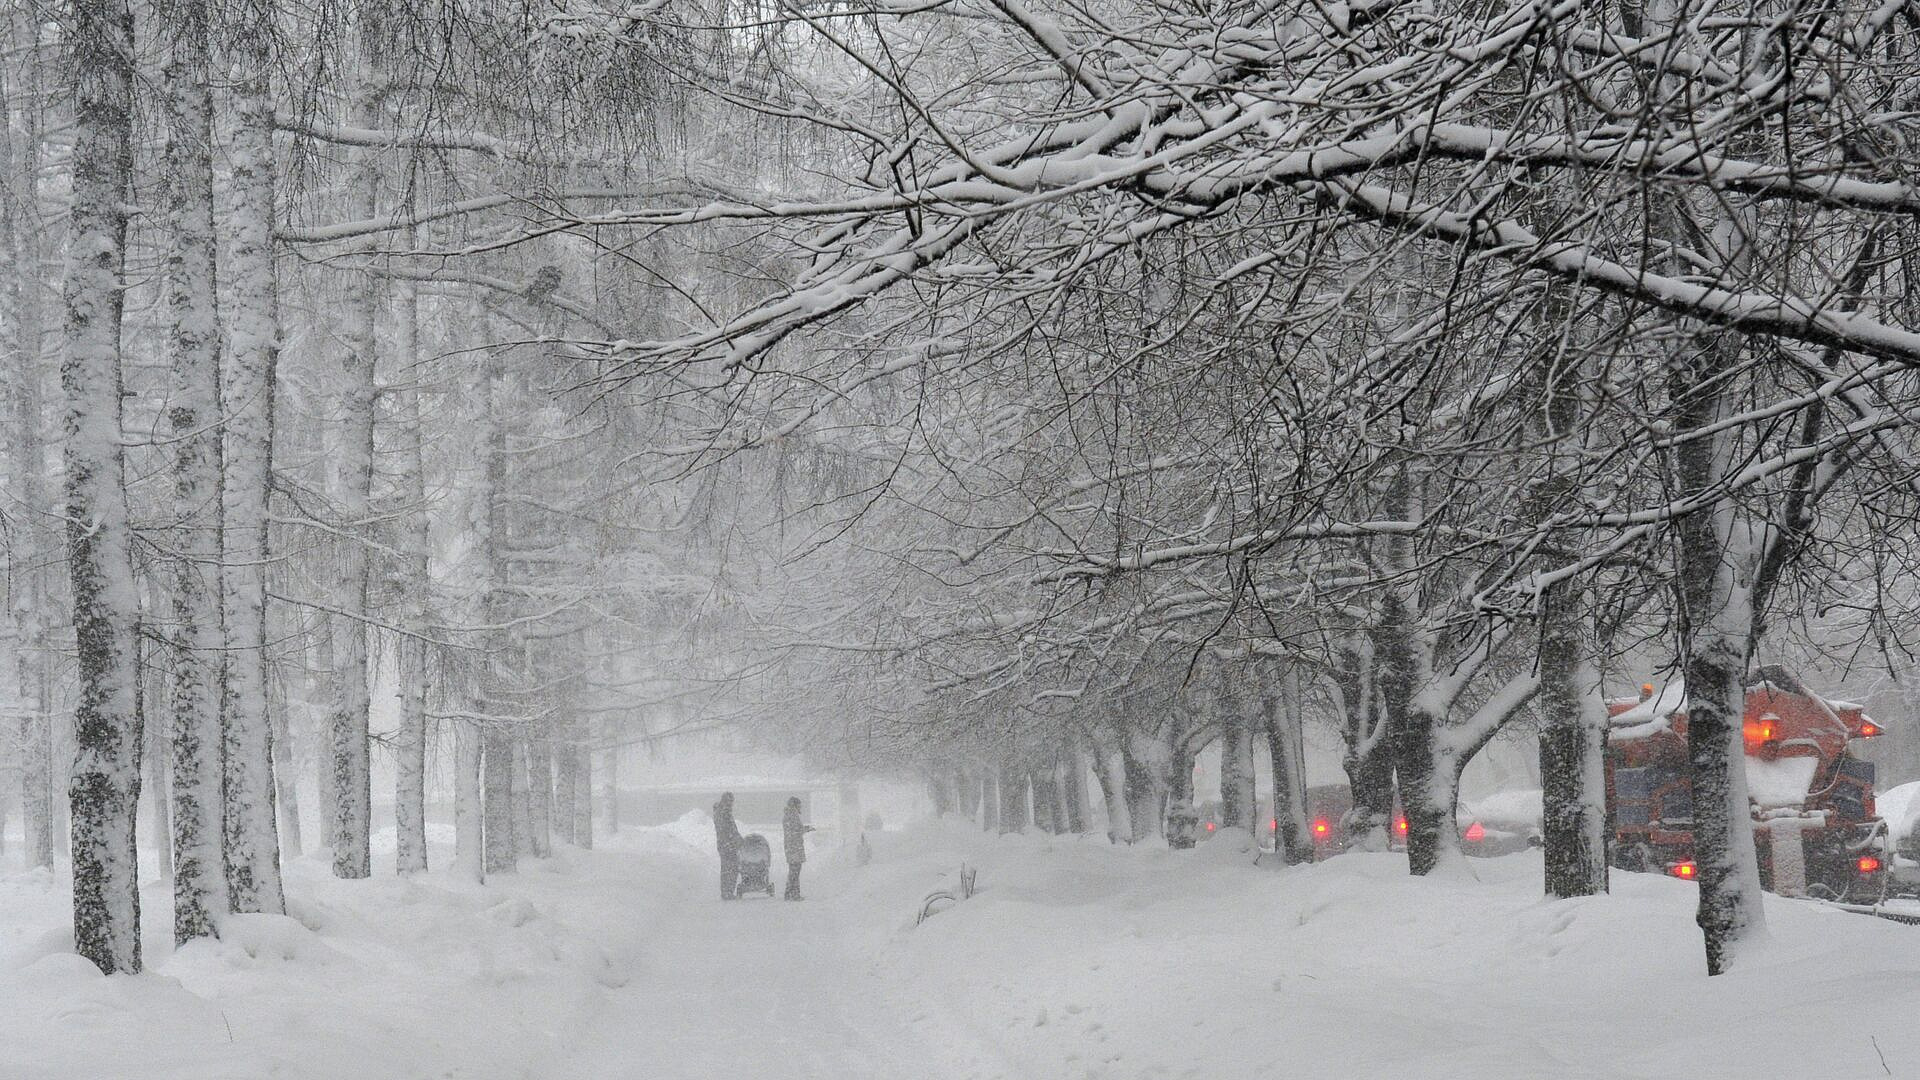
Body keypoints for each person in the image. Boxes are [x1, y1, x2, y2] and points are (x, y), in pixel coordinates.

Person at [782, 796, 813, 900]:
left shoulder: (788, 815)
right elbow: (796, 831)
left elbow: (794, 830)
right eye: (799, 805)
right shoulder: (793, 816)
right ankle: (793, 894)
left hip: (791, 846)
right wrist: (806, 829)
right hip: (794, 847)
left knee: (793, 870)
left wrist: (804, 829)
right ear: (795, 805)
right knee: (795, 871)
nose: (801, 807)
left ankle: (789, 893)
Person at [714, 792, 742, 900]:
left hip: (724, 845)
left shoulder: (720, 812)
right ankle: (728, 892)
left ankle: (726, 892)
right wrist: (738, 840)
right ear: (727, 801)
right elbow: (729, 831)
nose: (732, 804)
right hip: (727, 845)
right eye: (731, 801)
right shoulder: (724, 813)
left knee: (726, 869)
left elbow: (729, 830)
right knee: (732, 868)